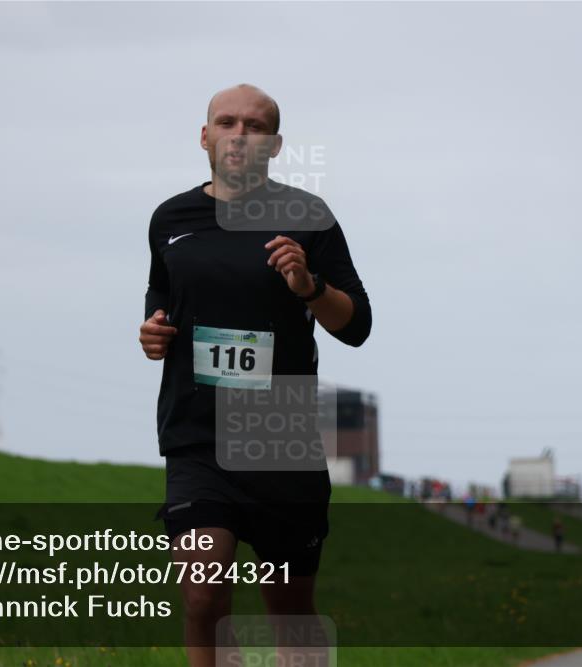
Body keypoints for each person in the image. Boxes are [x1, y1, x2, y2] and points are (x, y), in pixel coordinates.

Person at [139, 84, 371, 666]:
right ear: (205, 136)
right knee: (202, 590)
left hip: (279, 439)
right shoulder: (171, 218)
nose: (239, 134)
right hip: (197, 435)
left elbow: (357, 325)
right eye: (226, 122)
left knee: (290, 613)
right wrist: (153, 331)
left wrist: (310, 287)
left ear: (275, 144)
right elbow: (160, 298)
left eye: (254, 126)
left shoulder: (308, 218)